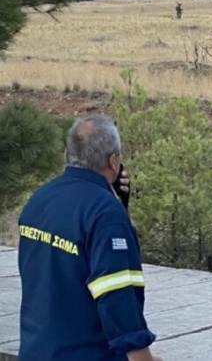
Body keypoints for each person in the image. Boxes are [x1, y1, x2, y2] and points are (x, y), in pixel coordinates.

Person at [17, 115, 162, 361]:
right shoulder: (105, 214)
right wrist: (142, 357)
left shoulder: (38, 200)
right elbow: (118, 296)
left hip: (36, 351)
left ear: (67, 154)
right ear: (113, 161)